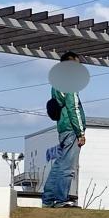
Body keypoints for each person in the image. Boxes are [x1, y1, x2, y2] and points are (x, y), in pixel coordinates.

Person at [40, 53, 87, 209]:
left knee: (60, 164)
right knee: (68, 166)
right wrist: (80, 132)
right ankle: (61, 199)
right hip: (71, 128)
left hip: (62, 127)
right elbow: (73, 107)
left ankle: (48, 199)